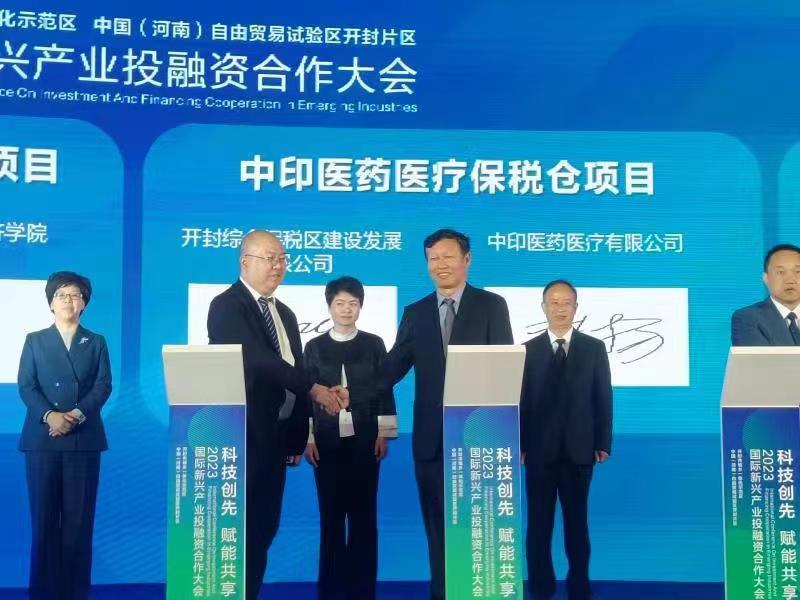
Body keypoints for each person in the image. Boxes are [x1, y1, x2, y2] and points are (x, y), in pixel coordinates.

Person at [207, 230, 348, 600]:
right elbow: (258, 361)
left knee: (263, 528)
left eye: (282, 259)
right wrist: (315, 388)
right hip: (242, 437)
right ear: (245, 262)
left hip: (275, 438)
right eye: (269, 258)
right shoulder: (227, 306)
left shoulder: (284, 312)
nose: (277, 266)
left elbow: (293, 368)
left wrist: (297, 434)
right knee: (237, 530)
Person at [383, 228, 513, 600]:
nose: (440, 264)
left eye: (447, 256)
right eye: (433, 258)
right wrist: (347, 389)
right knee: (437, 530)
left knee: (479, 530)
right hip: (431, 443)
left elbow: (503, 371)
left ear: (466, 259)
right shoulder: (416, 312)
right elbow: (391, 369)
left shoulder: (492, 306)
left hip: (479, 439)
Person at [18, 271, 112, 600]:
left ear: (84, 303)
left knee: (78, 523)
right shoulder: (35, 340)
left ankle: (75, 593)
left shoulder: (96, 342)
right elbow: (26, 386)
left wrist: (74, 415)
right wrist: (51, 416)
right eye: (61, 295)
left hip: (83, 439)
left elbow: (103, 386)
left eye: (75, 295)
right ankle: (43, 593)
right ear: (50, 303)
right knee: (44, 521)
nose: (68, 301)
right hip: (42, 440)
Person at [303, 276, 397, 600]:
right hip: (326, 442)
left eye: (353, 303)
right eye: (340, 303)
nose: (346, 309)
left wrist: (385, 432)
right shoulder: (314, 347)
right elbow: (306, 396)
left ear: (361, 307)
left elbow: (385, 389)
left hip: (365, 441)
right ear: (329, 307)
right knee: (330, 519)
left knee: (363, 518)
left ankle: (362, 590)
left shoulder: (374, 344)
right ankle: (330, 590)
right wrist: (308, 437)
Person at [520, 280, 613, 600]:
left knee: (577, 524)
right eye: (554, 303)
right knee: (538, 525)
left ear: (576, 307)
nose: (560, 309)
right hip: (538, 452)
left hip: (580, 450)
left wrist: (603, 442)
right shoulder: (527, 350)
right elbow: (521, 402)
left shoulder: (593, 348)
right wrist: (520, 444)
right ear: (543, 307)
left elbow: (603, 397)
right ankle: (540, 587)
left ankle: (579, 586)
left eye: (566, 303)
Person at [731, 243, 800, 346]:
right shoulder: (747, 318)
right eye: (780, 272)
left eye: (798, 271)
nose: (790, 280)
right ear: (766, 278)